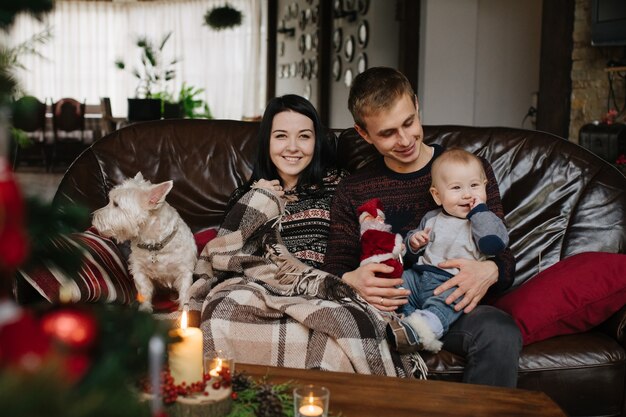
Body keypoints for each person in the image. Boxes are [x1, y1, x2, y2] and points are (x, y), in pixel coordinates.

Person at [323, 66, 522, 387]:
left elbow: (503, 253)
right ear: (363, 134)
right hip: (384, 308)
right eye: (387, 133)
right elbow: (334, 269)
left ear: (416, 105)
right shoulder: (354, 189)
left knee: (500, 332)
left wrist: (492, 271)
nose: (404, 140)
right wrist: (351, 279)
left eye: (409, 123)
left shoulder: (469, 171)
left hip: (452, 305)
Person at [390, 148, 510, 354]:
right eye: (456, 188)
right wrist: (414, 242)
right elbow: (412, 249)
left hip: (454, 282)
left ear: (485, 188)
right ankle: (405, 321)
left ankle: (424, 328)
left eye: (474, 186)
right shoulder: (432, 217)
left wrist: (479, 211)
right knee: (399, 282)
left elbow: (493, 245)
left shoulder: (486, 220)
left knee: (449, 302)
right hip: (420, 275)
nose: (467, 194)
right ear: (437, 196)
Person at [222, 94, 345, 269]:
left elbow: (352, 249)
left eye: (304, 136)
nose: (293, 147)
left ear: (316, 141)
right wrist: (258, 199)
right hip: (257, 286)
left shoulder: (337, 183)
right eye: (281, 136)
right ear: (267, 142)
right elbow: (223, 255)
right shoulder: (244, 196)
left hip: (316, 286)